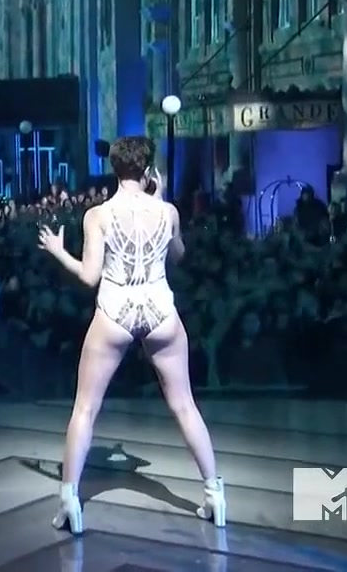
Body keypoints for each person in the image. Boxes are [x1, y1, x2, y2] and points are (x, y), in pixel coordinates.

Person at [37, 136, 224, 534]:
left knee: (85, 409)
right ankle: (214, 495)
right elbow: (179, 256)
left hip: (116, 311)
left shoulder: (98, 215)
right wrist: (163, 202)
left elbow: (89, 276)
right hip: (160, 311)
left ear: (114, 168)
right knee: (185, 405)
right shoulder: (168, 211)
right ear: (148, 169)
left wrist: (58, 250)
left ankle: (70, 501)